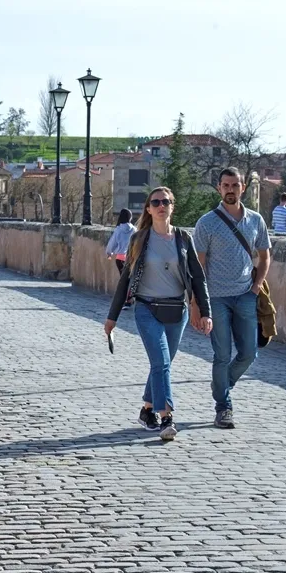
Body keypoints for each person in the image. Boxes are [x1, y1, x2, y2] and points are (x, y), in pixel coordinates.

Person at [104, 187, 212, 441]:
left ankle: (147, 409)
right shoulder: (139, 239)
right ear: (149, 209)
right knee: (161, 363)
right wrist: (112, 317)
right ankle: (167, 417)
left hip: (177, 311)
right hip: (146, 308)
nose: (161, 206)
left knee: (161, 364)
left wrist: (205, 311)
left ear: (172, 206)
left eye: (165, 201)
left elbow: (198, 277)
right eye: (156, 202)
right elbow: (125, 279)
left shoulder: (183, 239)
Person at [192, 167, 272, 429]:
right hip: (216, 298)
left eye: (235, 185)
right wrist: (197, 302)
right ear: (219, 188)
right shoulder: (207, 223)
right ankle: (223, 406)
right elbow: (198, 266)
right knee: (222, 355)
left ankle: (222, 384)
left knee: (249, 353)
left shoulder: (255, 220)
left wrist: (256, 286)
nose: (230, 190)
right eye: (225, 185)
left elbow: (265, 256)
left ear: (243, 188)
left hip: (246, 295)